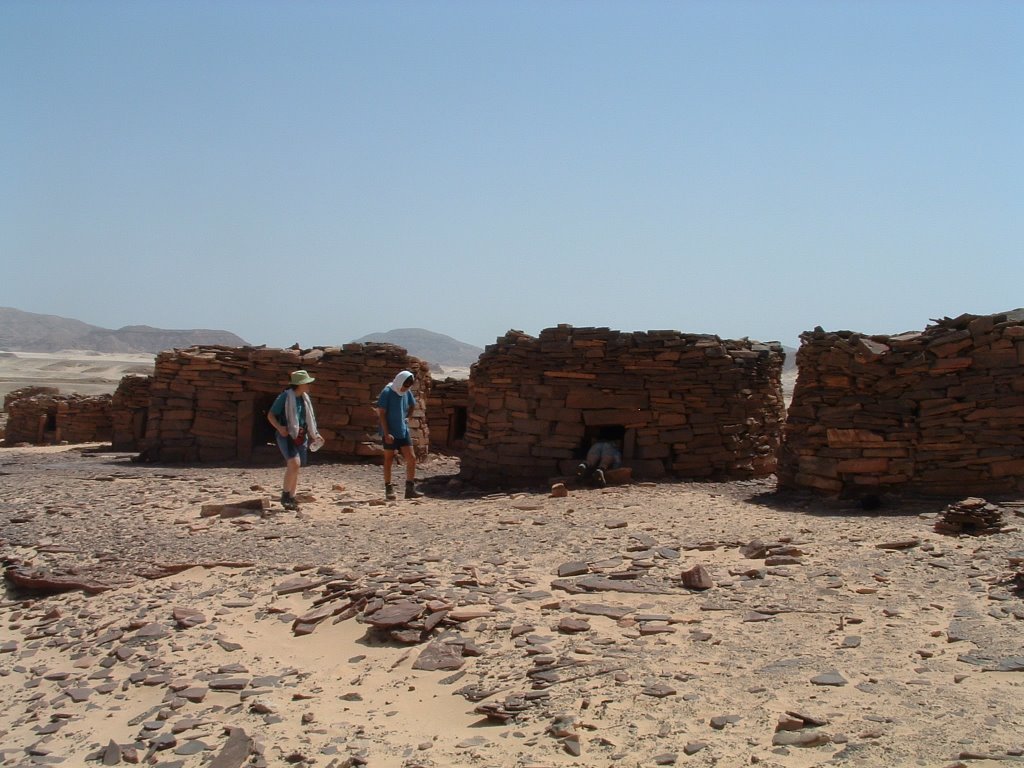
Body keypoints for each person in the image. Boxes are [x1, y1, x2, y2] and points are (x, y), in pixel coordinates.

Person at [267, 369, 323, 510]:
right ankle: (285, 496)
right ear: (299, 384)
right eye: (306, 383)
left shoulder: (304, 399)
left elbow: (308, 419)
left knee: (296, 467)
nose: (309, 386)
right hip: (288, 434)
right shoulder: (285, 397)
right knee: (294, 463)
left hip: (301, 435)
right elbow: (271, 415)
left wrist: (315, 434)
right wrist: (280, 428)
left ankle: (291, 497)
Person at [377, 370, 422, 500]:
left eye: (407, 387)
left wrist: (408, 417)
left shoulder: (405, 392)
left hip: (403, 430)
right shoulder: (387, 392)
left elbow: (412, 405)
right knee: (389, 459)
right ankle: (388, 488)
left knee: (411, 458)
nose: (404, 389)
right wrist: (386, 433)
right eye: (404, 386)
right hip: (390, 431)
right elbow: (382, 414)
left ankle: (410, 489)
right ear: (399, 381)